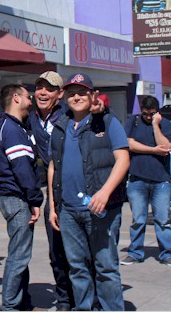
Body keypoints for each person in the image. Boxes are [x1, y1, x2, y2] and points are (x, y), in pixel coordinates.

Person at [0, 71, 106, 311]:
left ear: (60, 94)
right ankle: (65, 301)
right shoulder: (30, 119)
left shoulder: (68, 114)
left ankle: (88, 301)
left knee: (83, 253)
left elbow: (97, 113)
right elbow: (5, 113)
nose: (42, 92)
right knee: (57, 253)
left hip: (79, 189)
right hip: (54, 193)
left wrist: (101, 106)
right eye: (39, 87)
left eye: (49, 89)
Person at [47, 73, 129, 311]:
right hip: (69, 211)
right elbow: (53, 167)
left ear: (93, 95)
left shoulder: (108, 121)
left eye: (82, 92)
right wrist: (53, 206)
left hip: (101, 209)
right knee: (77, 267)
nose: (77, 97)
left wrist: (104, 193)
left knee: (106, 268)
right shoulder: (59, 127)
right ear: (65, 98)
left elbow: (123, 160)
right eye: (71, 94)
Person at [0, 84, 44, 311]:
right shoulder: (12, 130)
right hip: (17, 198)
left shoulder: (11, 126)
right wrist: (35, 199)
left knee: (20, 253)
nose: (31, 101)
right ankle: (10, 306)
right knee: (19, 255)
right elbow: (22, 168)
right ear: (16, 98)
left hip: (16, 197)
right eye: (28, 96)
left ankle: (22, 302)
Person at [120, 96, 171, 267]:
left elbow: (167, 146)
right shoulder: (133, 122)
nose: (148, 117)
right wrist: (153, 150)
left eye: (152, 114)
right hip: (137, 179)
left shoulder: (165, 124)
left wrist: (155, 125)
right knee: (138, 219)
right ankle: (135, 252)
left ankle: (166, 253)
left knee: (162, 220)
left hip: (161, 181)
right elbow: (128, 143)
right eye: (146, 114)